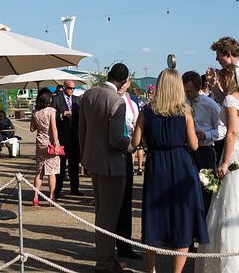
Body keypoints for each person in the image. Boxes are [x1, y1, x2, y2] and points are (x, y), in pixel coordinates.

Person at [132, 68, 208, 273]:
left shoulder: (146, 111)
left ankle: (152, 269)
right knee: (181, 218)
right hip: (181, 166)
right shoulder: (184, 111)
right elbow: (193, 145)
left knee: (154, 216)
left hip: (156, 166)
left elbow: (135, 141)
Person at [79, 63, 131, 273]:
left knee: (101, 212)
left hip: (93, 160)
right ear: (125, 81)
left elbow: (81, 130)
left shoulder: (88, 95)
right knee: (109, 215)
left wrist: (84, 157)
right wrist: (132, 144)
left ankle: (108, 258)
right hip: (112, 164)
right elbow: (116, 138)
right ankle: (105, 263)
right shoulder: (116, 101)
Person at [195, 67, 239, 273]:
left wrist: (224, 162)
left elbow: (231, 132)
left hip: (233, 153)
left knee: (226, 203)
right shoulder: (229, 98)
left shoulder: (232, 99)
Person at [182, 69, 225, 214]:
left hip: (205, 150)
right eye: (184, 91)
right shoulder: (182, 103)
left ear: (198, 88)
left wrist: (205, 135)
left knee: (206, 189)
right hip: (186, 151)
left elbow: (222, 129)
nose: (186, 95)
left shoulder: (210, 105)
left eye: (189, 91)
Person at [115, 79, 142, 261]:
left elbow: (137, 125)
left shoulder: (132, 103)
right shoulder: (108, 99)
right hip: (111, 152)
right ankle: (109, 245)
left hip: (126, 153)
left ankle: (125, 245)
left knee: (125, 201)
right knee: (110, 204)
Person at [52, 79, 84, 198]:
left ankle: (75, 189)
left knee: (74, 165)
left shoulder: (76, 100)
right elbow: (51, 116)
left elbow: (81, 117)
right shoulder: (56, 99)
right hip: (61, 137)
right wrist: (61, 115)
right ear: (64, 87)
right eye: (70, 88)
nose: (72, 90)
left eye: (73, 88)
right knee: (60, 166)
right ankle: (58, 190)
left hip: (74, 137)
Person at [30, 89, 60, 205]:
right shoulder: (51, 111)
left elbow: (32, 128)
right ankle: (51, 198)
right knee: (52, 171)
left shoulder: (35, 112)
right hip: (50, 142)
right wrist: (56, 142)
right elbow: (53, 128)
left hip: (40, 142)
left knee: (39, 171)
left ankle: (35, 196)